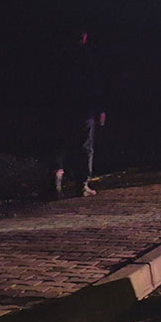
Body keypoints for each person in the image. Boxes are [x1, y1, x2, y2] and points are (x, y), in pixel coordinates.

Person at [50, 29, 106, 198]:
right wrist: (100, 108)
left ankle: (55, 180)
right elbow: (95, 83)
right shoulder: (87, 56)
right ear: (84, 37)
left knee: (60, 144)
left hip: (60, 105)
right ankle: (81, 185)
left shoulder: (57, 56)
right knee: (84, 146)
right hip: (83, 107)